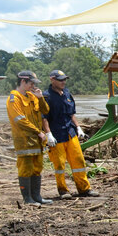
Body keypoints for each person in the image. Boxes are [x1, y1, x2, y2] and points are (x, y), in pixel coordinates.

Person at [42, 70, 96, 198]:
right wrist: (48, 134)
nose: (63, 82)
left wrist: (78, 128)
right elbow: (44, 118)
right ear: (52, 80)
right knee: (59, 164)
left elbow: (71, 114)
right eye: (60, 80)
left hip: (70, 132)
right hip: (56, 136)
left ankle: (84, 189)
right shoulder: (46, 96)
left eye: (64, 79)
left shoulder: (67, 93)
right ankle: (63, 190)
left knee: (78, 161)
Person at [6, 70, 53, 206]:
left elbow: (46, 111)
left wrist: (40, 97)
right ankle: (28, 199)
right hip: (24, 140)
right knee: (25, 168)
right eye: (31, 83)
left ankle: (37, 197)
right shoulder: (14, 98)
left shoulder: (32, 96)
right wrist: (38, 132)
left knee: (37, 167)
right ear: (23, 81)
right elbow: (19, 120)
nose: (33, 86)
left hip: (37, 141)